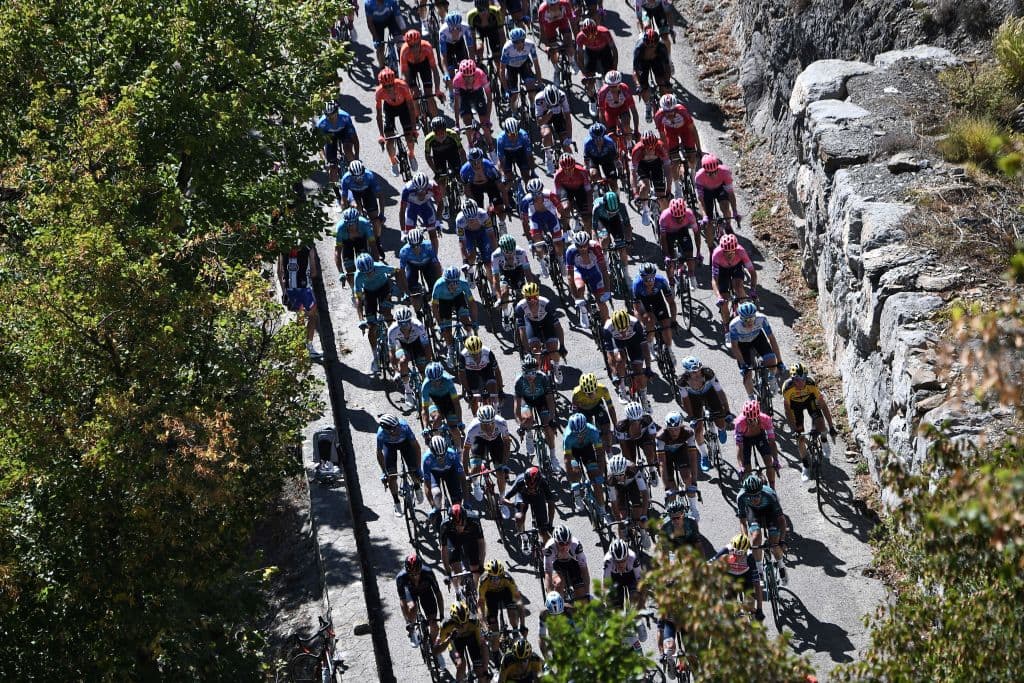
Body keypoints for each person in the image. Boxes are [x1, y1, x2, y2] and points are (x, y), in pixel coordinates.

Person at [781, 363, 839, 481]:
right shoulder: (787, 388)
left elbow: (823, 405)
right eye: (797, 380)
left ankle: (823, 439)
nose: (801, 383)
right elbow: (787, 411)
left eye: (803, 379)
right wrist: (794, 429)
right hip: (795, 406)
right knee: (800, 439)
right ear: (792, 379)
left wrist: (831, 427)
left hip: (810, 402)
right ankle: (806, 465)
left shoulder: (811, 383)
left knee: (821, 426)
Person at [353, 253, 408, 374]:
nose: (369, 274)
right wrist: (361, 319)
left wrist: (402, 291)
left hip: (384, 289)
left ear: (373, 266)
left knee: (387, 315)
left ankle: (397, 343)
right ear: (360, 271)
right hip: (369, 294)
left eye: (371, 271)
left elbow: (398, 270)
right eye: (365, 273)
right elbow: (358, 298)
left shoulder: (379, 266)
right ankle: (375, 357)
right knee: (371, 327)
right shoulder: (358, 276)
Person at [676, 356, 733, 472]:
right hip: (693, 398)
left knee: (720, 419)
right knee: (698, 430)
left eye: (699, 370)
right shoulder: (682, 381)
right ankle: (704, 456)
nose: (697, 373)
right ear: (687, 372)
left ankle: (721, 428)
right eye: (694, 372)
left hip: (710, 393)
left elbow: (720, 392)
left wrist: (727, 411)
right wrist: (691, 417)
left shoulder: (708, 373)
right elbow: (685, 401)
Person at [736, 474, 790, 587]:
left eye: (757, 495)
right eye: (751, 496)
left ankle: (781, 566)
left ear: (761, 491)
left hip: (770, 512)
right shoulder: (741, 497)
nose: (754, 499)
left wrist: (782, 540)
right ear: (746, 493)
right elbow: (742, 522)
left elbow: (781, 520)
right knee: (755, 539)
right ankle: (759, 572)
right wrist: (745, 541)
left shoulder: (770, 494)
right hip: (753, 513)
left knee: (774, 544)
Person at [729, 300, 784, 400]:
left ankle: (772, 379)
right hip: (742, 344)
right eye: (746, 320)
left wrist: (779, 361)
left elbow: (772, 339)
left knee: (772, 361)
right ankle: (751, 399)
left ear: (755, 315)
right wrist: (743, 364)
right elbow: (735, 347)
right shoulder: (734, 325)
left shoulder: (762, 319)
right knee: (747, 375)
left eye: (752, 318)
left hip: (757, 338)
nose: (750, 322)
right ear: (740, 318)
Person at [514, 282, 566, 379]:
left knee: (553, 348)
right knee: (535, 350)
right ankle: (537, 372)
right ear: (524, 297)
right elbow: (522, 331)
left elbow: (557, 326)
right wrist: (527, 350)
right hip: (531, 323)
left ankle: (556, 366)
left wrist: (562, 345)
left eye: (535, 297)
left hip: (546, 322)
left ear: (538, 295)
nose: (532, 300)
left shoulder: (546, 303)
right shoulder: (520, 307)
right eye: (529, 298)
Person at [374, 67, 420, 176]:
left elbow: (411, 108)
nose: (389, 88)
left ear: (394, 82)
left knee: (409, 137)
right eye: (386, 86)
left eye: (391, 85)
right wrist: (381, 135)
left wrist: (414, 128)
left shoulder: (402, 86)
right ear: (381, 85)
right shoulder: (379, 92)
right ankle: (393, 161)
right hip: (389, 109)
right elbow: (379, 115)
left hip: (403, 107)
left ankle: (411, 154)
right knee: (389, 140)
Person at [277, 243, 321, 358]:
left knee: (300, 315)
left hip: (290, 288)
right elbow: (314, 272)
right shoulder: (308, 247)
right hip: (304, 288)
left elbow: (279, 272)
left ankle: (300, 348)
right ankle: (309, 347)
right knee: (312, 315)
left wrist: (284, 291)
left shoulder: (283, 248)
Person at [462, 403, 512, 502]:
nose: (488, 427)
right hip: (479, 441)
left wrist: (504, 463)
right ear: (480, 422)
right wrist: (466, 473)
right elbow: (466, 450)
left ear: (494, 420)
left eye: (491, 423)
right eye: (485, 424)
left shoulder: (501, 422)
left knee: (500, 472)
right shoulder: (473, 427)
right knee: (475, 469)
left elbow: (507, 442)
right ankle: (476, 484)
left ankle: (502, 498)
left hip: (495, 441)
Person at [376, 414, 424, 515]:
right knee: (391, 476)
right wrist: (384, 472)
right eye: (394, 429)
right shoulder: (381, 434)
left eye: (397, 426)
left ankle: (417, 486)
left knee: (413, 469)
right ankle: (396, 502)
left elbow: (416, 447)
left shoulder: (404, 427)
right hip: (389, 446)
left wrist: (418, 467)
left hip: (405, 443)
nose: (398, 429)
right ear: (387, 430)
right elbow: (379, 453)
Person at [656, 412, 701, 520]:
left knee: (687, 478)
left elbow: (693, 458)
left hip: (681, 451)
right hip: (666, 454)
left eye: (676, 429)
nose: (674, 432)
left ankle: (693, 508)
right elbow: (662, 464)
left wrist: (694, 482)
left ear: (681, 426)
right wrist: (667, 488)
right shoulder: (660, 436)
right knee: (672, 490)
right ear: (667, 428)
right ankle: (671, 512)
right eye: (671, 430)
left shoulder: (688, 432)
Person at [513, 355, 558, 461]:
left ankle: (553, 457)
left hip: (541, 401)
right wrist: (520, 424)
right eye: (527, 373)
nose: (530, 376)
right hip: (526, 401)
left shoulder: (543, 378)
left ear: (537, 371)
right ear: (523, 372)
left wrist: (552, 417)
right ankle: (529, 435)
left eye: (533, 373)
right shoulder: (519, 381)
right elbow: (517, 405)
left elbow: (550, 399)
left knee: (547, 426)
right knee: (527, 420)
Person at [654, 94, 701, 195]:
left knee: (692, 156)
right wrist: (667, 153)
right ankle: (677, 188)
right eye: (667, 112)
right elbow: (662, 136)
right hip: (670, 133)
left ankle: (693, 176)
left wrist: (699, 148)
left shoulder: (682, 111)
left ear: (675, 108)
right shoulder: (658, 116)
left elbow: (693, 130)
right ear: (662, 110)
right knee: (673, 162)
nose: (670, 114)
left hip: (685, 130)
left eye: (672, 111)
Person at [710, 532, 764, 620]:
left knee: (749, 603)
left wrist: (760, 609)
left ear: (746, 551)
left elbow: (757, 584)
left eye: (741, 553)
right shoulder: (726, 550)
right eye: (735, 552)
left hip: (745, 576)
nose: (737, 555)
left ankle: (752, 617)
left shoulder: (749, 557)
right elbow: (710, 562)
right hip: (731, 577)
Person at [563, 411, 609, 513]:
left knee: (597, 481)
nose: (579, 436)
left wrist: (600, 473)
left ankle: (603, 511)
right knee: (575, 472)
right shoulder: (568, 436)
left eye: (582, 433)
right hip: (573, 451)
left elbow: (600, 453)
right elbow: (567, 460)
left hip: (587, 449)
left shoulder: (593, 431)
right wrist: (572, 480)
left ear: (586, 428)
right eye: (576, 434)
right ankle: (577, 494)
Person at [387, 305, 433, 406]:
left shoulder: (418, 325)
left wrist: (429, 362)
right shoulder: (392, 330)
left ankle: (427, 391)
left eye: (407, 323)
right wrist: (395, 369)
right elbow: (391, 350)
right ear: (397, 322)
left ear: (410, 320)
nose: (404, 326)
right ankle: (407, 391)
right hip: (402, 345)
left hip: (417, 343)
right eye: (401, 323)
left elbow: (426, 345)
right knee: (403, 361)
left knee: (422, 367)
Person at [603, 310, 653, 403]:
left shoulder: (635, 323)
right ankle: (622, 390)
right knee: (619, 360)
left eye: (625, 329)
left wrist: (648, 367)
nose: (623, 333)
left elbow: (645, 347)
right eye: (620, 330)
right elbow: (610, 355)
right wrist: (614, 374)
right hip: (618, 343)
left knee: (639, 371)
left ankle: (644, 398)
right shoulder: (607, 328)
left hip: (633, 341)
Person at [434, 600, 489, 682]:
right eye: (459, 624)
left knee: (482, 673)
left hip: (471, 639)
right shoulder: (446, 625)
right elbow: (435, 651)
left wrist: (485, 670)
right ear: (453, 620)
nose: (463, 627)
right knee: (461, 666)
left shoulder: (474, 621)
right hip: (455, 642)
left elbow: (482, 645)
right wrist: (449, 639)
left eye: (465, 623)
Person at [502, 466, 558, 548]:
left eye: (534, 488)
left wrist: (549, 524)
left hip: (538, 497)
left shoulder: (543, 482)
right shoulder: (520, 482)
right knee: (519, 517)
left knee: (544, 531)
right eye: (528, 486)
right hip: (523, 497)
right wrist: (514, 505)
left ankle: (550, 550)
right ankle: (523, 537)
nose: (531, 489)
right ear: (525, 482)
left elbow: (551, 504)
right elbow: (504, 499)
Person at [424, 117, 467, 222]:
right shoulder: (429, 139)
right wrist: (435, 170)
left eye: (443, 131)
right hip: (439, 157)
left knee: (460, 176)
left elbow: (461, 151)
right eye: (437, 132)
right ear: (433, 131)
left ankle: (465, 196)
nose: (441, 134)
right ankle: (445, 204)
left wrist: (464, 166)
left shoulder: (452, 134)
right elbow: (428, 157)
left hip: (453, 154)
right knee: (441, 182)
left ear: (445, 129)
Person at [397, 554, 446, 647]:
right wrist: (408, 622)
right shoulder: (401, 578)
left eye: (417, 573)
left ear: (421, 569)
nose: (415, 577)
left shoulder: (428, 573)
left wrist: (442, 615)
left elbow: (438, 594)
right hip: (410, 593)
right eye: (411, 575)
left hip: (425, 592)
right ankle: (412, 631)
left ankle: (434, 646)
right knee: (412, 607)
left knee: (433, 624)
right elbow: (402, 601)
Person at [712, 233, 757, 333]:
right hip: (722, 270)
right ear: (722, 250)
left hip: (736, 267)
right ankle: (726, 325)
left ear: (736, 250)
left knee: (739, 287)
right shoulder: (716, 254)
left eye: (732, 252)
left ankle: (746, 314)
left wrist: (753, 290)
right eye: (726, 252)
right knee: (724, 300)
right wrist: (719, 297)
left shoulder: (741, 251)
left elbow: (753, 273)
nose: (729, 255)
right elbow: (714, 280)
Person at [477, 559, 525, 651]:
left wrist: (522, 625)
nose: (495, 581)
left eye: (498, 577)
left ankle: (515, 632)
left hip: (505, 592)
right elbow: (480, 605)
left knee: (513, 613)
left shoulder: (507, 578)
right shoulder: (483, 581)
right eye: (492, 578)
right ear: (488, 576)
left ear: (502, 575)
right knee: (494, 631)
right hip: (490, 595)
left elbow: (519, 601)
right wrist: (484, 625)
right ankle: (496, 655)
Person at [565, 230, 612, 323]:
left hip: (594, 271)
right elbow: (570, 276)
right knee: (580, 287)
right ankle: (583, 311)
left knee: (601, 302)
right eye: (579, 246)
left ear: (588, 243)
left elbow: (604, 270)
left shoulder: (595, 246)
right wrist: (577, 298)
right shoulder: (570, 251)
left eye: (585, 246)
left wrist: (607, 290)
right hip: (579, 271)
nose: (582, 249)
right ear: (575, 245)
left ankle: (607, 325)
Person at [605, 453, 652, 544]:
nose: (619, 478)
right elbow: (614, 503)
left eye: (621, 475)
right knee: (622, 516)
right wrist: (620, 522)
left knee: (638, 513)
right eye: (616, 476)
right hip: (618, 487)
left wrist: (643, 515)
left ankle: (643, 533)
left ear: (625, 470)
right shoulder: (610, 478)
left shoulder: (632, 469)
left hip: (633, 482)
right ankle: (623, 542)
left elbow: (644, 493)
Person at [630, 261, 676, 354]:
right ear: (641, 278)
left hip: (657, 298)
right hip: (644, 301)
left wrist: (673, 320)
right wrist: (641, 325)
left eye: (651, 278)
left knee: (666, 326)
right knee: (650, 322)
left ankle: (669, 350)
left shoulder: (661, 280)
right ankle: (650, 345)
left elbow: (671, 302)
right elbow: (636, 309)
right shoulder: (636, 285)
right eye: (646, 279)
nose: (649, 281)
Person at [520, 178, 565, 271]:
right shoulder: (525, 201)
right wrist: (530, 241)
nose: (537, 196)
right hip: (536, 218)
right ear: (529, 193)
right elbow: (524, 222)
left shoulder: (550, 195)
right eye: (534, 194)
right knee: (537, 243)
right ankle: (542, 263)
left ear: (542, 189)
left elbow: (561, 210)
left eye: (539, 193)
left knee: (558, 242)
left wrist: (565, 226)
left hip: (550, 216)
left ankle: (561, 260)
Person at [439, 503, 487, 591]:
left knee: (476, 570)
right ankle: (458, 591)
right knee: (456, 572)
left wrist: (481, 564)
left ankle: (474, 590)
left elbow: (481, 543)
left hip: (469, 537)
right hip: (453, 539)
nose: (459, 528)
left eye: (461, 525)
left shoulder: (474, 520)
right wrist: (448, 572)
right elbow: (444, 549)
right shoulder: (445, 525)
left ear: (465, 519)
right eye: (456, 526)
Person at [575, 18, 618, 116]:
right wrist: (584, 73)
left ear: (597, 30)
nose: (591, 37)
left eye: (594, 34)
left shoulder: (604, 32)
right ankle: (592, 100)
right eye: (588, 36)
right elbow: (579, 57)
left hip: (604, 51)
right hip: (590, 53)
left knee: (610, 78)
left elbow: (614, 50)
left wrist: (614, 68)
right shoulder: (580, 37)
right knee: (589, 83)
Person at [734, 399, 780, 488]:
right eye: (749, 420)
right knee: (747, 470)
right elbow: (739, 446)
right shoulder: (739, 423)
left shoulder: (766, 419)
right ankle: (751, 489)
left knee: (769, 462)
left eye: (754, 419)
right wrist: (741, 466)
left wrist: (775, 459)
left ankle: (772, 488)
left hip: (759, 437)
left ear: (758, 416)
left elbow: (772, 442)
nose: (752, 422)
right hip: (745, 440)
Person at [339, 161, 386, 248]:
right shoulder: (346, 178)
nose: (359, 179)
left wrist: (382, 213)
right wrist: (345, 214)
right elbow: (343, 199)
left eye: (361, 176)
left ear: (364, 171)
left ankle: (377, 241)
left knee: (376, 221)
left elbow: (380, 195)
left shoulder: (369, 175)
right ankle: (359, 221)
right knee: (357, 207)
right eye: (355, 177)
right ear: (350, 174)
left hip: (367, 192)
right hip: (353, 193)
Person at [694, 153, 740, 241]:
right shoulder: (699, 176)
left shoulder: (725, 172)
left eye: (715, 172)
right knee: (709, 219)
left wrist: (735, 211)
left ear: (718, 168)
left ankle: (728, 225)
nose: (713, 175)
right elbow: (700, 199)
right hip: (706, 190)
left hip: (720, 188)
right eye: (709, 173)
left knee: (725, 207)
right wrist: (704, 216)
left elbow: (730, 194)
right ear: (704, 170)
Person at [491, 234, 535, 324]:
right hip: (504, 273)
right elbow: (496, 278)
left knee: (523, 292)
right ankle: (506, 315)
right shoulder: (495, 255)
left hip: (518, 271)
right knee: (504, 292)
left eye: (512, 251)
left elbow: (528, 273)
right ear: (502, 250)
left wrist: (532, 292)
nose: (510, 254)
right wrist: (499, 298)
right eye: (507, 252)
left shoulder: (521, 252)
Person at [460, 146, 508, 229]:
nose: (476, 164)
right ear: (469, 161)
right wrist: (473, 205)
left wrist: (507, 206)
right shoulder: (464, 171)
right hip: (475, 188)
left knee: (500, 209)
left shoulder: (489, 166)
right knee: (478, 213)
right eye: (473, 162)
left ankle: (502, 225)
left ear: (482, 159)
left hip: (490, 184)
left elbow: (501, 188)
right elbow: (467, 190)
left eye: (478, 161)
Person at [452, 59, 495, 152]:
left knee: (484, 123)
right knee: (468, 124)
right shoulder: (457, 80)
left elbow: (489, 98)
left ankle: (491, 146)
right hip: (464, 94)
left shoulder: (481, 75)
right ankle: (471, 146)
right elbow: (457, 102)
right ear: (461, 75)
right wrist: (457, 123)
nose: (467, 80)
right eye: (465, 77)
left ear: (474, 74)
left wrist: (487, 119)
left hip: (477, 93)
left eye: (470, 77)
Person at [630, 129, 671, 226]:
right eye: (647, 148)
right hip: (642, 165)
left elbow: (667, 169)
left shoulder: (661, 147)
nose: (650, 150)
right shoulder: (636, 150)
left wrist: (669, 189)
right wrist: (635, 193)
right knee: (644, 187)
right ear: (642, 146)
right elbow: (633, 173)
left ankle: (666, 219)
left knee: (662, 198)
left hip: (656, 165)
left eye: (652, 148)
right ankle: (645, 209)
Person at [430, 265, 479, 346]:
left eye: (455, 282)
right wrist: (440, 323)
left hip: (458, 298)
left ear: (458, 280)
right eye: (449, 282)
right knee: (447, 330)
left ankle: (469, 337)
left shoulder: (463, 283)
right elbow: (434, 306)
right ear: (445, 280)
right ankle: (450, 349)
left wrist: (474, 321)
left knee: (467, 323)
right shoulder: (439, 285)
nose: (453, 285)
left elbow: (472, 302)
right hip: (444, 301)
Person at [400, 29, 443, 118]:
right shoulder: (404, 51)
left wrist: (437, 89)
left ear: (420, 42)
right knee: (414, 95)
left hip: (424, 64)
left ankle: (436, 120)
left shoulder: (427, 47)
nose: (415, 48)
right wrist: (408, 91)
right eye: (411, 46)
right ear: (408, 45)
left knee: (429, 95)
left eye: (417, 45)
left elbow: (435, 70)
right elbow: (404, 74)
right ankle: (417, 116)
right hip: (410, 67)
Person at [420, 361, 465, 447]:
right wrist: (425, 427)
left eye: (438, 380)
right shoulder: (425, 386)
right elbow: (424, 409)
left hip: (447, 399)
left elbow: (456, 404)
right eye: (433, 381)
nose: (436, 383)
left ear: (442, 377)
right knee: (437, 418)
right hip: (434, 400)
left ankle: (459, 450)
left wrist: (460, 421)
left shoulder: (448, 381)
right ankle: (438, 444)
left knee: (454, 428)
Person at [659, 197, 700, 289]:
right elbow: (663, 238)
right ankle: (671, 284)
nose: (680, 219)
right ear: (671, 214)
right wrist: (666, 255)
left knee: (689, 253)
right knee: (670, 262)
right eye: (676, 217)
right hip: (668, 233)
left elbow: (696, 233)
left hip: (682, 231)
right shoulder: (664, 217)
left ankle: (691, 275)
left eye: (682, 216)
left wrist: (698, 251)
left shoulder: (689, 214)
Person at [570, 373, 618, 451]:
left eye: (593, 392)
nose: (591, 395)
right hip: (583, 409)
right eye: (588, 394)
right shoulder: (576, 393)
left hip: (597, 406)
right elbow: (574, 413)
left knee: (606, 431)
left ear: (596, 388)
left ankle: (609, 451)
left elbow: (611, 407)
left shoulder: (603, 389)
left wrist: (616, 426)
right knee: (587, 436)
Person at [543, 524, 592, 601]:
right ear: (555, 541)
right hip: (556, 564)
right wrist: (550, 595)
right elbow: (548, 573)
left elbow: (584, 569)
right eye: (561, 543)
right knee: (558, 584)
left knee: (582, 598)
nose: (565, 546)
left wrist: (587, 593)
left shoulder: (576, 545)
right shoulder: (549, 548)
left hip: (572, 563)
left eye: (567, 543)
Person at [398, 227, 442, 312]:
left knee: (435, 286)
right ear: (409, 243)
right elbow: (402, 272)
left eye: (418, 245)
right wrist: (407, 291)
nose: (416, 248)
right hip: (412, 266)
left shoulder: (429, 246)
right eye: (413, 246)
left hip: (427, 265)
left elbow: (436, 265)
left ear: (422, 241)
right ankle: (418, 312)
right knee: (412, 290)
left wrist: (439, 283)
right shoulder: (404, 251)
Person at [632, 28, 671, 120]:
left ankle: (664, 104)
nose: (650, 47)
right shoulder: (639, 49)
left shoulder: (661, 47)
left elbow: (667, 66)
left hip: (656, 60)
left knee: (662, 82)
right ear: (644, 43)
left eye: (653, 46)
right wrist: (638, 85)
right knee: (643, 87)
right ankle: (648, 106)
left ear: (657, 43)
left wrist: (667, 81)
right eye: (648, 46)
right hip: (643, 62)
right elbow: (635, 71)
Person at [499, 29, 542, 111]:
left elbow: (536, 65)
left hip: (524, 65)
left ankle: (532, 106)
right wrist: (506, 89)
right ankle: (514, 112)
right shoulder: (507, 48)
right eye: (516, 42)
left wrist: (540, 83)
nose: (519, 44)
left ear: (524, 40)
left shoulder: (530, 45)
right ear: (512, 42)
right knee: (514, 96)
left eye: (522, 41)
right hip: (511, 68)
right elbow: (502, 69)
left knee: (531, 89)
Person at [422, 434, 468, 512]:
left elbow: (462, 478)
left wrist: (466, 501)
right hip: (434, 473)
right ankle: (437, 510)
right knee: (437, 494)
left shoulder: (452, 454)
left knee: (457, 503)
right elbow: (427, 484)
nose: (441, 459)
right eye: (438, 456)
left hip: (450, 472)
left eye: (443, 455)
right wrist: (433, 505)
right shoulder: (427, 458)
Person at [534, 84, 573, 174]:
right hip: (545, 116)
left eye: (555, 104)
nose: (553, 106)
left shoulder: (562, 96)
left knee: (565, 143)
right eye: (551, 105)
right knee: (546, 134)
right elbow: (539, 122)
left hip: (558, 117)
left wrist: (569, 137)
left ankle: (571, 165)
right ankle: (548, 157)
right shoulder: (539, 99)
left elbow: (567, 117)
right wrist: (548, 115)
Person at [603, 538, 646, 616]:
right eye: (617, 562)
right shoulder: (608, 561)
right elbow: (606, 583)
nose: (621, 565)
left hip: (630, 576)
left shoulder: (633, 557)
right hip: (615, 578)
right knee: (615, 605)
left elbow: (640, 580)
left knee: (636, 598)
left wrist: (642, 601)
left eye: (623, 561)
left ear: (627, 556)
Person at [597, 71, 640, 146]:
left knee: (626, 126)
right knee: (611, 136)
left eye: (615, 86)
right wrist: (605, 130)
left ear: (619, 84)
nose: (613, 89)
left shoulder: (625, 89)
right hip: (609, 111)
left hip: (622, 109)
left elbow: (634, 111)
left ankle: (629, 144)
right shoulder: (602, 92)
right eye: (610, 86)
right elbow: (601, 113)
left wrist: (636, 130)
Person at [456, 197, 497, 275]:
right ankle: (470, 272)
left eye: (474, 218)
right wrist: (465, 261)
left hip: (482, 232)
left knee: (488, 264)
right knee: (471, 257)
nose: (472, 221)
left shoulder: (483, 215)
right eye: (469, 219)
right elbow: (462, 242)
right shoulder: (460, 220)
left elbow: (491, 235)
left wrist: (496, 252)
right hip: (468, 234)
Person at [317, 101, 360, 176]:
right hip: (329, 135)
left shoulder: (345, 117)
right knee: (331, 167)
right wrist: (325, 160)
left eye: (333, 115)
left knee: (348, 151)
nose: (331, 118)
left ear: (337, 112)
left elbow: (355, 138)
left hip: (344, 131)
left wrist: (356, 156)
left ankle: (356, 174)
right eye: (328, 116)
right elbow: (319, 146)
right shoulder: (321, 124)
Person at [400, 172, 443, 246]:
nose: (421, 193)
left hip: (426, 207)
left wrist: (438, 221)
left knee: (433, 235)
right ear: (414, 187)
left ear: (427, 187)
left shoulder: (433, 186)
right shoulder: (407, 189)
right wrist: (403, 231)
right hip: (412, 207)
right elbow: (402, 211)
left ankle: (435, 253)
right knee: (410, 238)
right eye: (418, 191)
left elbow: (440, 203)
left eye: (423, 190)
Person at [554, 153, 593, 231]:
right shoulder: (558, 175)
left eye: (571, 168)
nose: (568, 171)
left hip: (580, 189)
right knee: (565, 209)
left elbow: (588, 191)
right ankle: (566, 230)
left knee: (587, 218)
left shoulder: (582, 171)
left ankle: (588, 233)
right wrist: (559, 209)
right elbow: (557, 195)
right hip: (566, 190)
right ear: (562, 168)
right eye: (565, 169)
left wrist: (590, 205)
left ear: (574, 166)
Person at [536, 0, 577, 74]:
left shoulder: (565, 4)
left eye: (556, 4)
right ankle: (556, 69)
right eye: (552, 5)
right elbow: (542, 29)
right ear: (548, 5)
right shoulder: (542, 10)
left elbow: (572, 22)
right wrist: (547, 45)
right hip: (549, 25)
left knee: (568, 43)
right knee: (552, 50)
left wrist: (577, 37)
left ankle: (572, 62)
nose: (554, 6)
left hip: (562, 21)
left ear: (559, 2)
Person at [365, 0, 407, 69]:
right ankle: (382, 68)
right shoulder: (369, 4)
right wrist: (375, 37)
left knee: (401, 42)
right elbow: (370, 23)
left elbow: (398, 16)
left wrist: (403, 33)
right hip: (377, 24)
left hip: (390, 19)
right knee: (380, 48)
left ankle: (404, 63)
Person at [592, 189, 632, 258]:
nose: (611, 214)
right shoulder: (597, 208)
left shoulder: (621, 206)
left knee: (622, 248)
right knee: (605, 238)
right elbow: (594, 229)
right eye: (610, 212)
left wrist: (628, 240)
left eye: (614, 212)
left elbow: (627, 225)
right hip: (601, 220)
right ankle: (605, 258)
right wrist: (596, 244)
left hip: (615, 219)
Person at [584, 123, 622, 193]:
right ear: (592, 138)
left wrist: (619, 171)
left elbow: (616, 159)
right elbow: (586, 161)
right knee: (593, 175)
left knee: (613, 183)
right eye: (595, 139)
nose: (598, 141)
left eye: (601, 138)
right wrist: (588, 175)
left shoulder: (610, 142)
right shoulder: (587, 144)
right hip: (594, 159)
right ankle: (598, 192)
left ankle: (616, 195)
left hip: (607, 159)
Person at [496, 117, 536, 183]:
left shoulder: (524, 135)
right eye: (510, 134)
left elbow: (529, 156)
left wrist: (533, 171)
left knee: (526, 176)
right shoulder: (500, 139)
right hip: (507, 155)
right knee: (508, 179)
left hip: (520, 153)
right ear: (505, 132)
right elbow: (500, 160)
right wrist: (503, 175)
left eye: (516, 133)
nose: (513, 137)